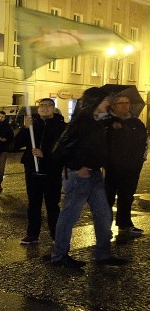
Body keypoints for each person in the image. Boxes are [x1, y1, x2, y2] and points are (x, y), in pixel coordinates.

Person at [50, 87, 128, 269]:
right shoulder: (80, 123)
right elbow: (59, 151)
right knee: (69, 217)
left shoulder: (97, 121)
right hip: (79, 177)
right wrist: (78, 167)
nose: (108, 103)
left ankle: (103, 254)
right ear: (95, 102)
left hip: (95, 175)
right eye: (105, 100)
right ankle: (59, 255)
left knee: (103, 215)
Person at [13, 98, 66, 245]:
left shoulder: (61, 126)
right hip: (32, 170)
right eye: (42, 105)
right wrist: (25, 128)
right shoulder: (32, 125)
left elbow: (64, 150)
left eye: (49, 105)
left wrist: (46, 155)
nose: (45, 108)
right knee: (33, 204)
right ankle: (32, 234)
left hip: (51, 171)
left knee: (52, 204)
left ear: (54, 108)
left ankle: (56, 234)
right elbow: (15, 145)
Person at [103, 94, 147, 237]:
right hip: (112, 167)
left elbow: (143, 141)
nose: (125, 106)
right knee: (107, 197)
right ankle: (104, 225)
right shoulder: (106, 122)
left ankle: (125, 223)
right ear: (113, 106)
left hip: (132, 167)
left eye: (127, 103)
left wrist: (141, 159)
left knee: (127, 196)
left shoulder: (136, 122)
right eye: (121, 103)